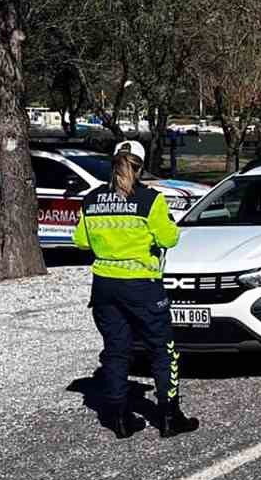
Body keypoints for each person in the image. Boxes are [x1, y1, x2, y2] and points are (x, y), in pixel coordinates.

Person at [72, 141, 200, 440]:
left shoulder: (92, 199)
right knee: (162, 349)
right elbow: (168, 239)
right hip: (142, 285)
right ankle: (169, 417)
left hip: (104, 285)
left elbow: (81, 241)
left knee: (116, 350)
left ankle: (119, 418)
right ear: (141, 167)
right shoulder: (149, 199)